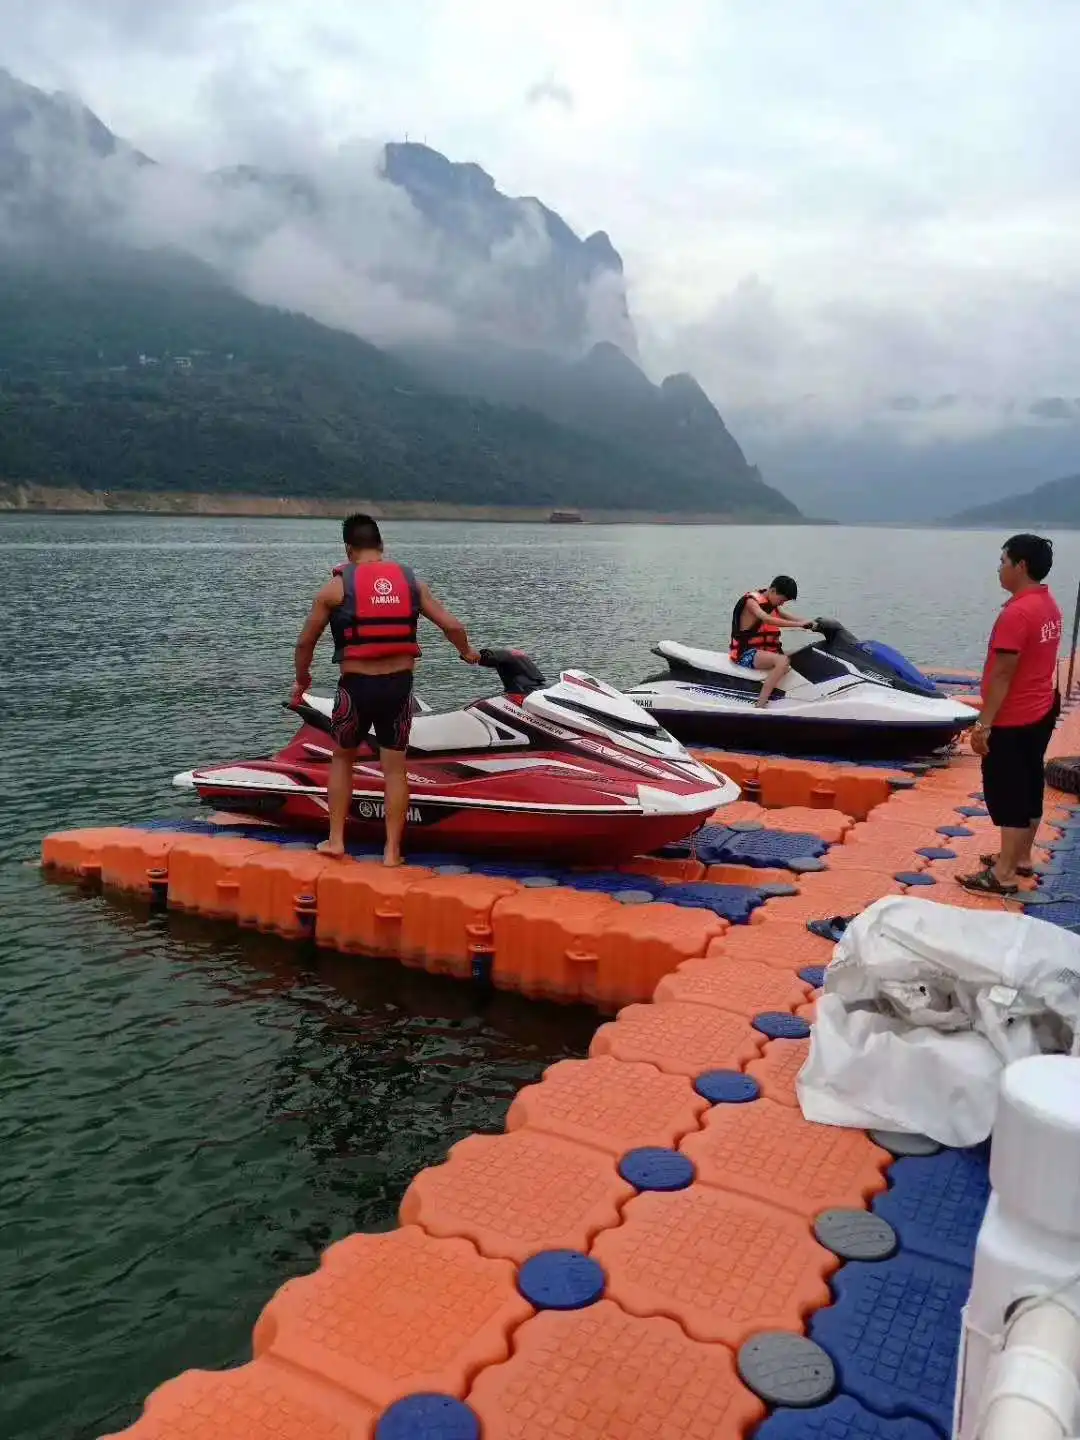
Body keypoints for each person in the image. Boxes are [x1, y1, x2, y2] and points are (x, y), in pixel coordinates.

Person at [291, 513, 480, 866]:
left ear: (348, 549)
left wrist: (302, 680)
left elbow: (305, 643)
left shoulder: (335, 588)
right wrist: (466, 652)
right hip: (398, 688)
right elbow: (452, 625)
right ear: (381, 546)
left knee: (343, 759)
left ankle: (335, 841)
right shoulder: (411, 584)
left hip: (356, 689)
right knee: (395, 768)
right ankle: (392, 852)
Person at [958, 534, 1062, 896]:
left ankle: (1002, 875)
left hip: (1015, 717)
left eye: (1003, 561)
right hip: (1041, 708)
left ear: (1021, 566)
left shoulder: (1017, 613)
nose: (999, 568)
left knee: (1008, 791)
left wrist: (983, 724)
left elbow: (1003, 673)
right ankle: (1020, 857)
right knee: (1031, 780)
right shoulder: (1048, 604)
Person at [730, 576, 817, 707]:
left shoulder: (770, 601)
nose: (782, 604)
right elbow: (766, 619)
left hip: (761, 652)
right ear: (773, 591)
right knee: (782, 661)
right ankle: (760, 705)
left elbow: (785, 615)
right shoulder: (751, 602)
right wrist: (798, 625)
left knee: (801, 654)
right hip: (746, 653)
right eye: (782, 600)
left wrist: (809, 623)